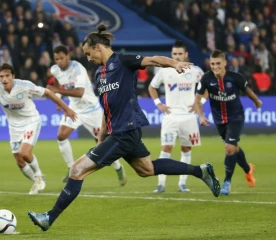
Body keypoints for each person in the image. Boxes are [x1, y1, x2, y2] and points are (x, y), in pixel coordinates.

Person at [27, 24, 221, 231]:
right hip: (119, 131)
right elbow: (106, 108)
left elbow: (153, 59)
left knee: (76, 170)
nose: (87, 57)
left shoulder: (123, 61)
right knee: (147, 169)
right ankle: (201, 172)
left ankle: (49, 217)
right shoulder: (100, 75)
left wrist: (174, 63)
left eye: (88, 53)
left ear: (98, 47)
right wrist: (101, 137)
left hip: (125, 131)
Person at [0, 63, 76, 195]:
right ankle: (37, 182)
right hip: (14, 126)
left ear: (13, 76)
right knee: (19, 160)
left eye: (7, 76)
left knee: (24, 153)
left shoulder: (24, 86)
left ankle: (39, 176)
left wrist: (67, 109)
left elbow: (47, 92)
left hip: (31, 120)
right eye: (1, 76)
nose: (4, 79)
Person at [46, 45, 127, 186]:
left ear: (68, 57)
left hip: (91, 110)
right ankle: (72, 168)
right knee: (61, 135)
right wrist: (59, 98)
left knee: (101, 143)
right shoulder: (55, 69)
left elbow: (80, 92)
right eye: (56, 59)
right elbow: (58, 81)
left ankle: (118, 168)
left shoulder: (78, 69)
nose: (58, 61)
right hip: (74, 109)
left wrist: (56, 90)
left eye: (61, 58)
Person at [194, 50, 262, 195]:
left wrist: (256, 101)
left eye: (218, 63)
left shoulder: (235, 77)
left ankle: (227, 182)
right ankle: (248, 170)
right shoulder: (206, 79)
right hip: (219, 120)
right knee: (234, 148)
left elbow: (247, 90)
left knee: (229, 148)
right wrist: (201, 116)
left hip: (236, 116)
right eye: (212, 64)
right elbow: (197, 99)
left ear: (225, 63)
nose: (215, 66)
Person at [148, 40, 207, 193]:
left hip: (188, 117)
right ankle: (160, 184)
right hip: (171, 116)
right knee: (166, 148)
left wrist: (200, 103)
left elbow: (207, 87)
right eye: (175, 54)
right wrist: (158, 104)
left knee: (186, 149)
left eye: (180, 54)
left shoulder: (195, 71)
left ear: (186, 54)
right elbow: (152, 87)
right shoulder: (164, 71)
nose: (177, 56)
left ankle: (182, 184)